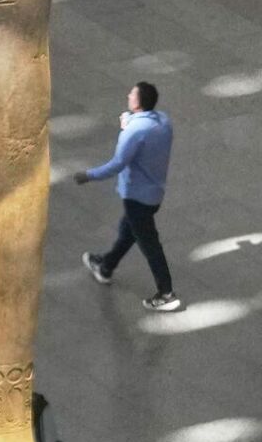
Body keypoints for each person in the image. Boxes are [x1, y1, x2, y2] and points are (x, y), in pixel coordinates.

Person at [75, 80, 182, 312]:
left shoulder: (134, 131)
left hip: (136, 197)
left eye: (132, 94)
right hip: (155, 193)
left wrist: (88, 175)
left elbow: (117, 163)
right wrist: (130, 123)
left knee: (150, 245)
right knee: (128, 231)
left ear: (138, 103)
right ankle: (105, 267)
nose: (128, 96)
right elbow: (146, 136)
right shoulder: (163, 121)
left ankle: (166, 293)